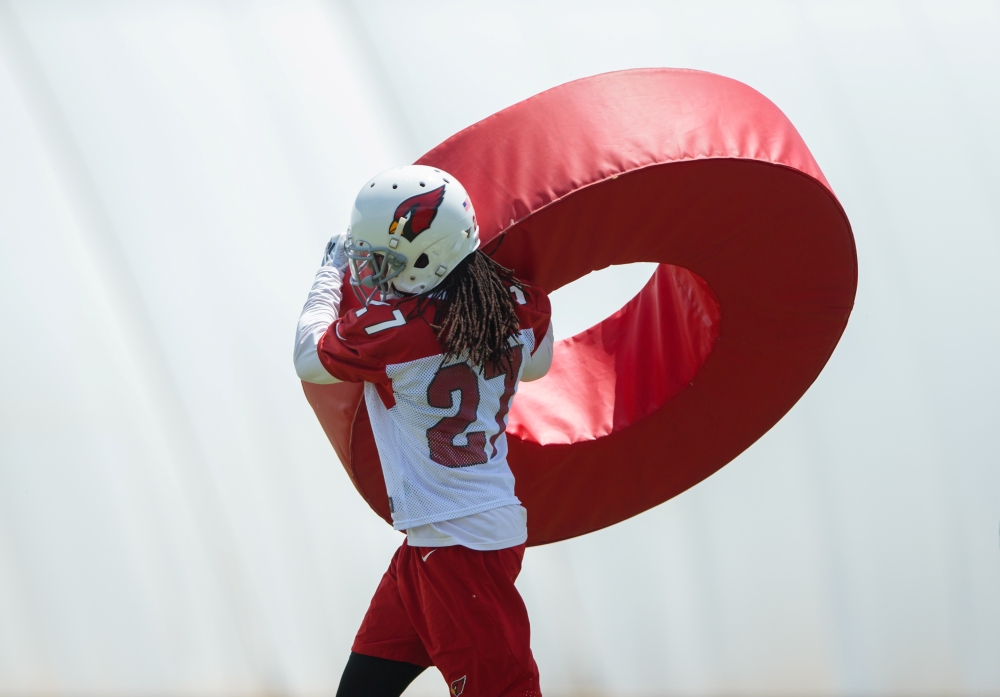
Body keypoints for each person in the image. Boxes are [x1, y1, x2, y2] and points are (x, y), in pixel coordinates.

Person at [294, 165, 553, 697]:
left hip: (460, 546)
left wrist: (328, 274)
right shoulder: (515, 304)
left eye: (381, 260)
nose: (368, 271)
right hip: (439, 539)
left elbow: (307, 356)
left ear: (426, 256)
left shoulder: (397, 332)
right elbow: (538, 365)